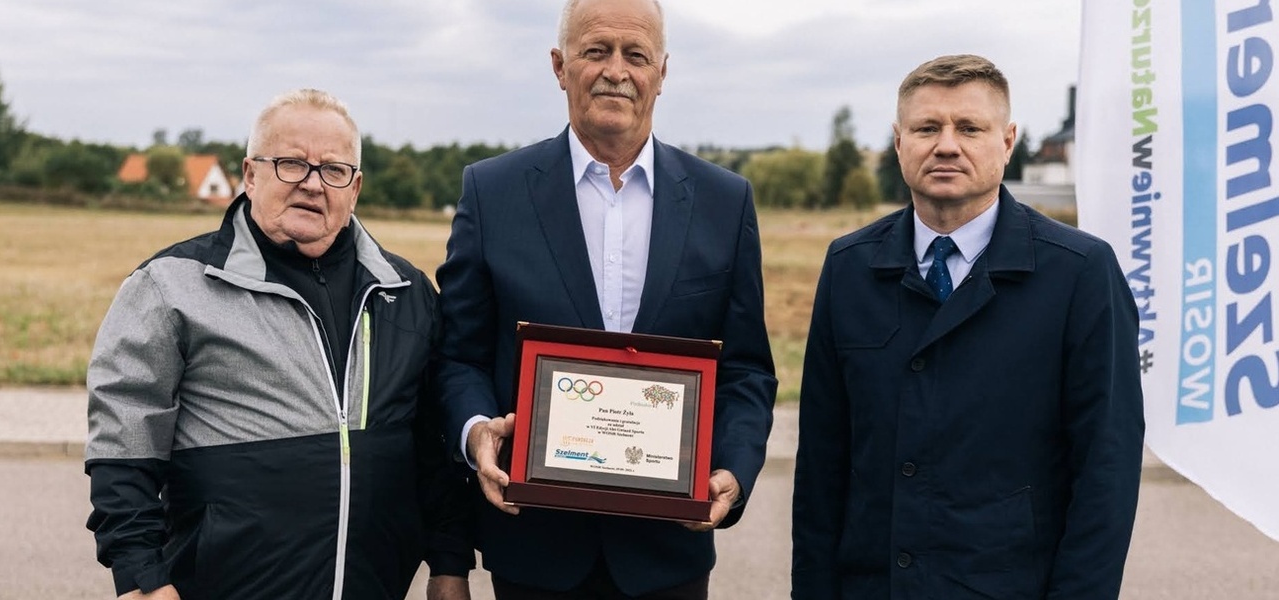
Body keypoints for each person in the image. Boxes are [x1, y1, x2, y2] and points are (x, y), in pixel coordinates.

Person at [434, 0, 778, 597]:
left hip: (668, 553)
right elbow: (458, 355)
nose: (616, 70)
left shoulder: (725, 203)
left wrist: (733, 469)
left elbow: (746, 368)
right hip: (534, 547)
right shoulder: (492, 192)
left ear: (662, 73)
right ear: (559, 65)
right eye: (595, 50)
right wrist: (474, 432)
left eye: (636, 55)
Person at [85, 89, 473, 600]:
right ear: (249, 174)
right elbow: (124, 442)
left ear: (354, 188)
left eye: (333, 170)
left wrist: (449, 564)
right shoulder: (173, 285)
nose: (313, 184)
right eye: (291, 164)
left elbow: (432, 444)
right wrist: (142, 578)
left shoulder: (406, 292)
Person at [791, 54, 1145, 599]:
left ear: (1007, 142)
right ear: (899, 140)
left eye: (969, 128)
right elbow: (821, 460)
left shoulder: (1080, 273)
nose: (947, 144)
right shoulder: (849, 267)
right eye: (927, 127)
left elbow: (1107, 469)